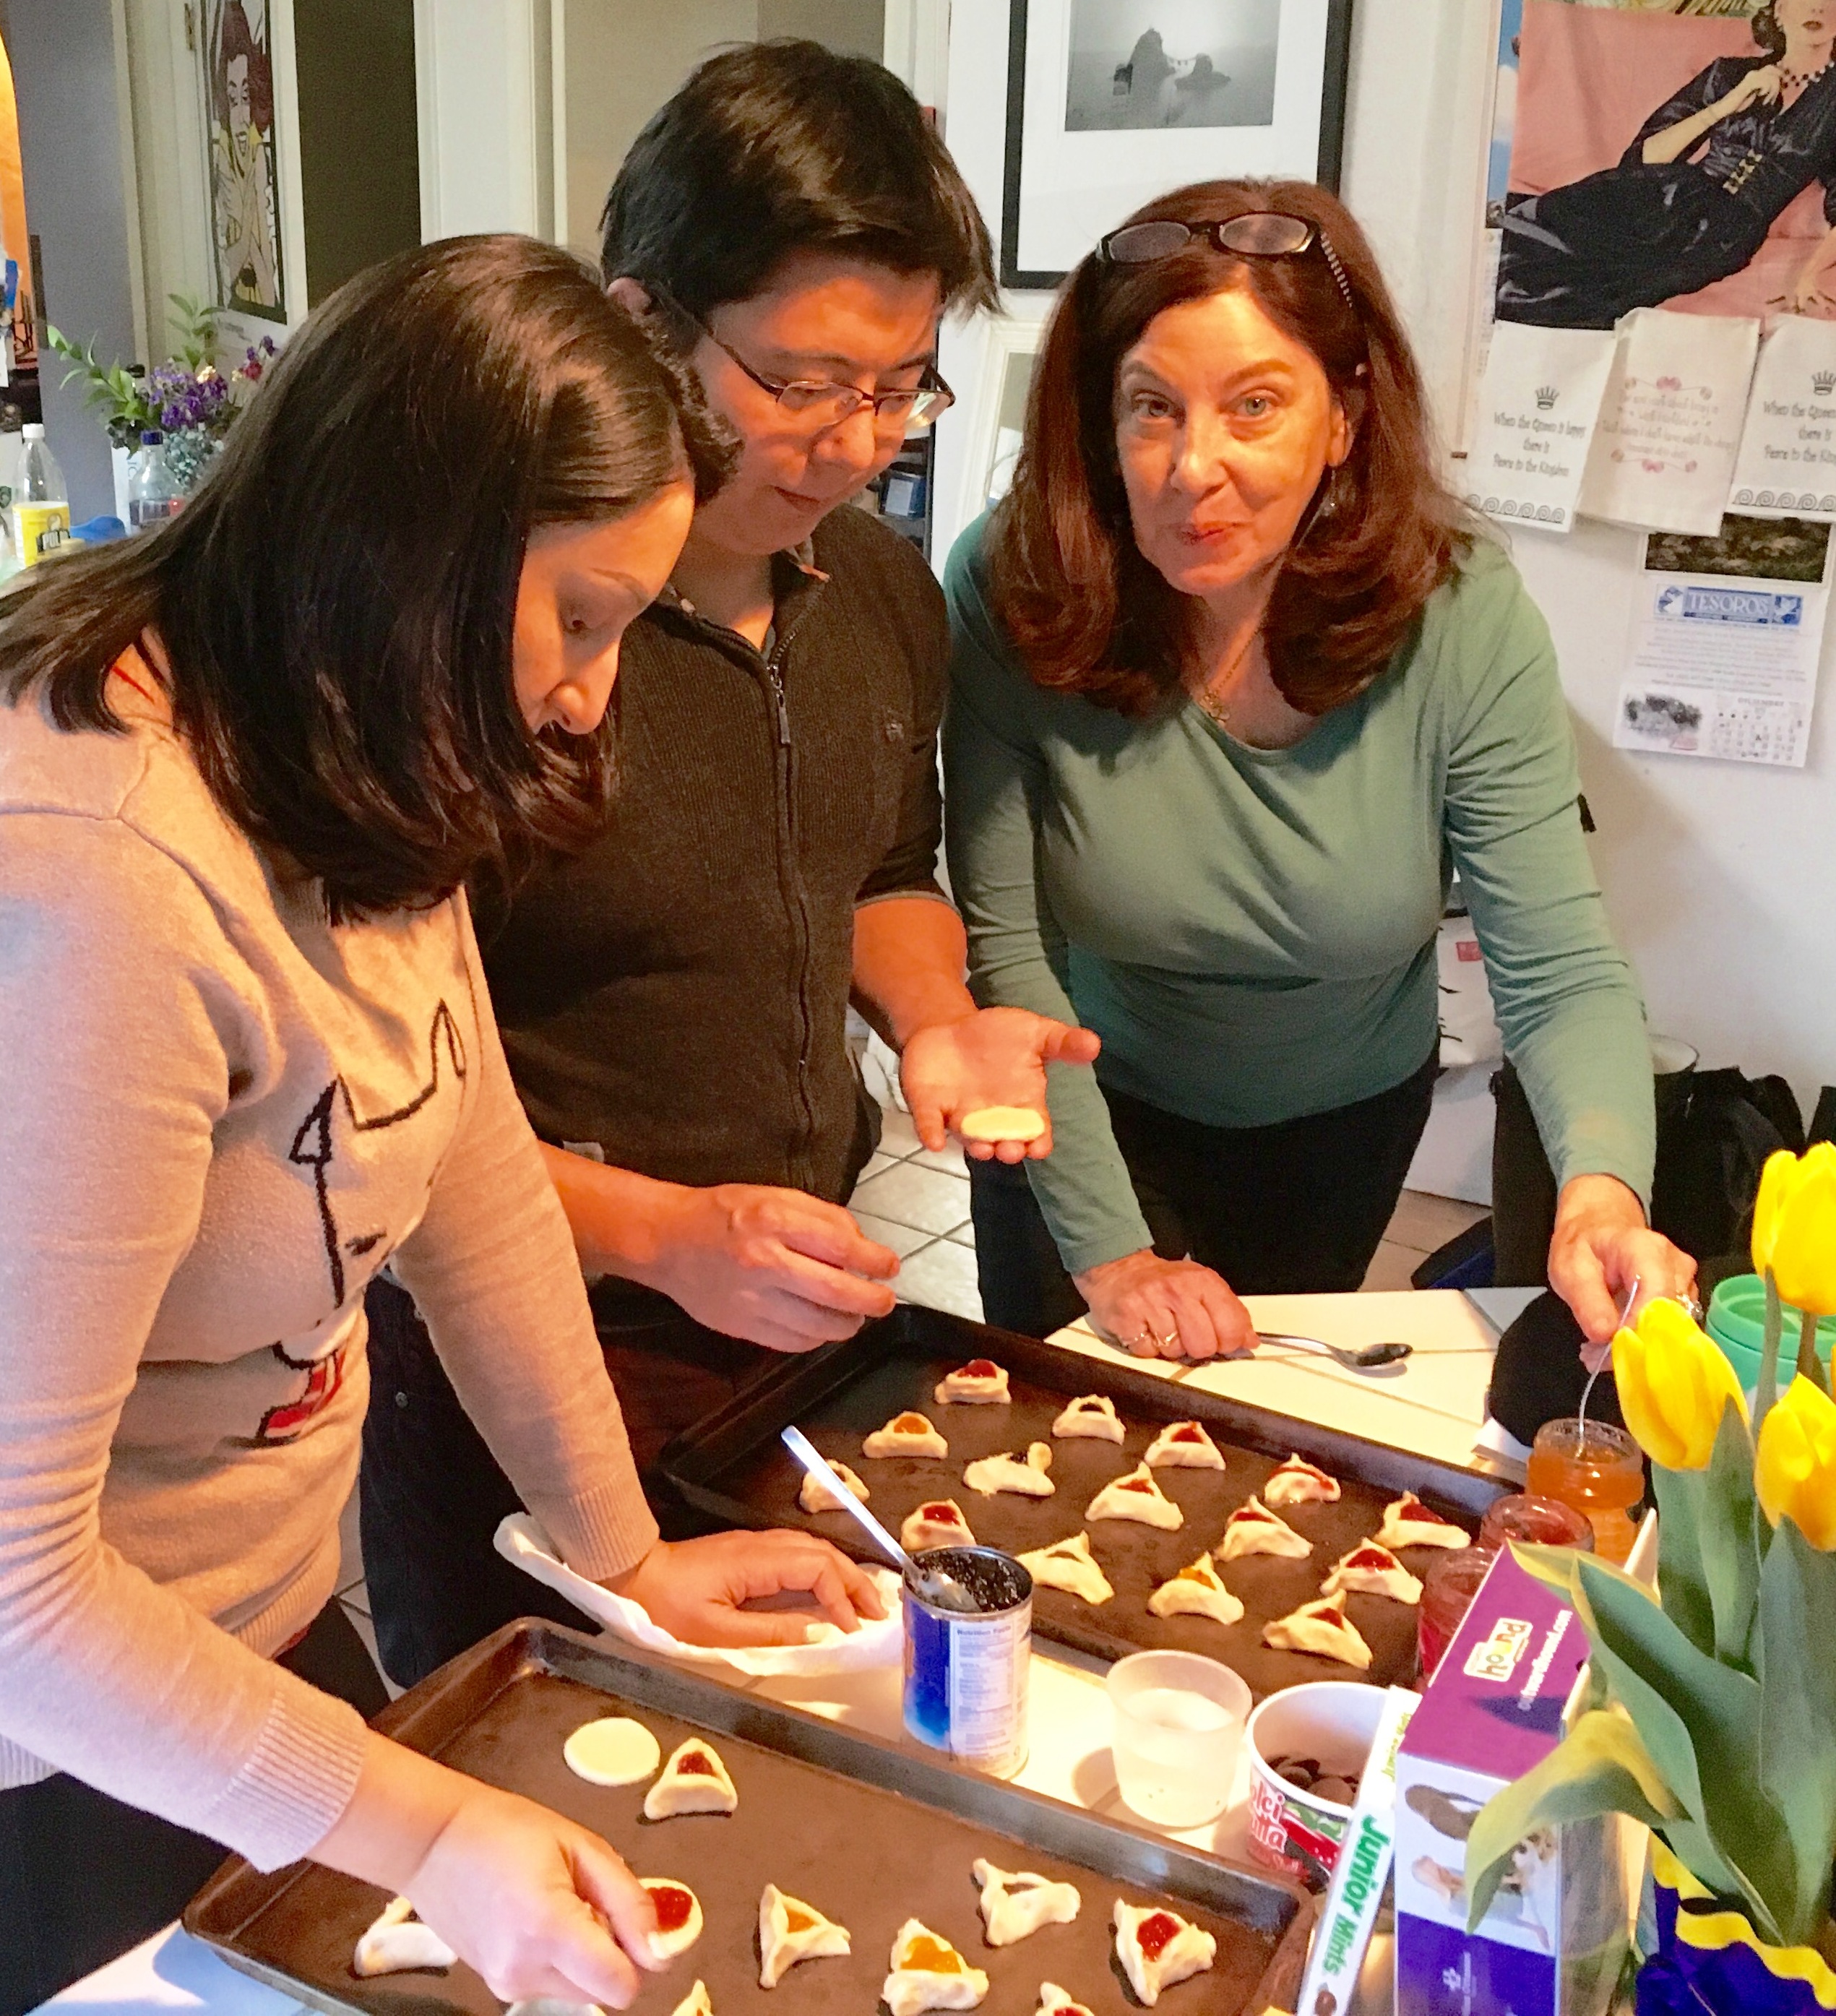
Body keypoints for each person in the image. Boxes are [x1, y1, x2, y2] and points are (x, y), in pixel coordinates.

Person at [0, 234, 880, 2013]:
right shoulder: (102, 880)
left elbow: (468, 1170)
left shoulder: (359, 731)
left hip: (246, 1627)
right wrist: (421, 1826)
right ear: (410, 555)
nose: (589, 693)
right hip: (53, 1748)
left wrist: (619, 1546)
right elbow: (17, 1599)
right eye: (579, 618)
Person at [359, 40, 1098, 1690]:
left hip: (784, 1318)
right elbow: (382, 1120)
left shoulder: (886, 596)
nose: (855, 439)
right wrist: (659, 1230)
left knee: (761, 1771)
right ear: (642, 323)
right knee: (522, 1770)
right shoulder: (498, 639)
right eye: (803, 378)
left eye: (901, 382)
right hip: (526, 1337)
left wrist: (930, 1022)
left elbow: (884, 860)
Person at [944, 179, 1698, 1383]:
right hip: (1080, 1116)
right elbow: (1005, 954)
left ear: (1344, 416)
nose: (1196, 468)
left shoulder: (1458, 613)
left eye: (1255, 406)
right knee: (1065, 1440)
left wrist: (1600, 1197)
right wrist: (1113, 1258)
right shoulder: (1013, 586)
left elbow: (1554, 962)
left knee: (1262, 1443)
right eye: (1150, 407)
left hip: (1339, 1124)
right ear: (1097, 421)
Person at [1497, 0, 1836, 327]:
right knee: (1532, 235)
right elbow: (1642, 158)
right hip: (1657, 192)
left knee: (1583, 292)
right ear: (1779, 10)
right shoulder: (1730, 73)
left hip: (1724, 233)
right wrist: (1724, 107)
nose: (1817, 7)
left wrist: (1810, 274)